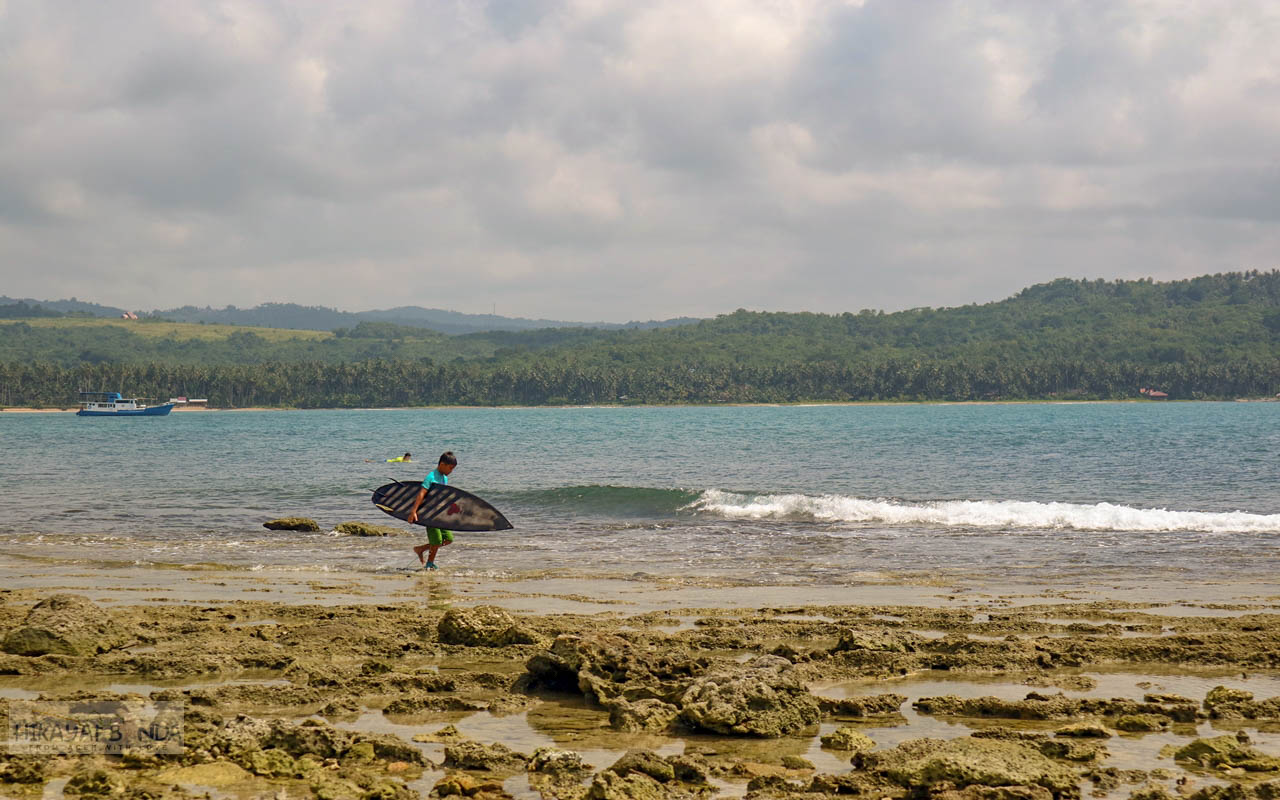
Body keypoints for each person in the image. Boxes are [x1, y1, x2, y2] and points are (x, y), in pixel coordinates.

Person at [409, 451, 458, 569]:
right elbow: (421, 494)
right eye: (450, 468)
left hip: (440, 513)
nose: (451, 471)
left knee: (448, 539)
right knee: (436, 540)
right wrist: (413, 511)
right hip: (430, 514)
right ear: (442, 464)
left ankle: (420, 549)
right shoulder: (431, 477)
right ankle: (429, 564)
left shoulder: (444, 478)